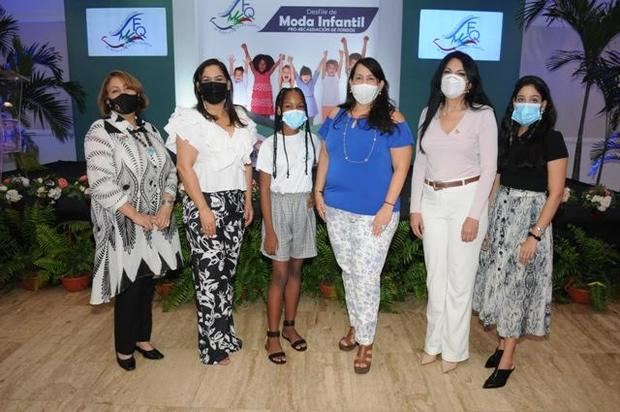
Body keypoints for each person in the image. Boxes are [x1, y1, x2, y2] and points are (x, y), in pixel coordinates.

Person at [315, 57, 413, 374]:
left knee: (367, 276)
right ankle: (357, 326)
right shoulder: (337, 116)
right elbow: (326, 154)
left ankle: (366, 341)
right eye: (358, 77)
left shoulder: (394, 120)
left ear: (381, 84)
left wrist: (387, 206)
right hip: (337, 207)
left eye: (371, 78)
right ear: (350, 82)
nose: (364, 83)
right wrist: (318, 192)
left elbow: (402, 168)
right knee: (348, 272)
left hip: (377, 213)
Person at [473, 76, 568, 389]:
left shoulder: (552, 140)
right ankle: (502, 344)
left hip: (529, 222)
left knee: (516, 288)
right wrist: (486, 220)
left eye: (533, 98)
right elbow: (498, 181)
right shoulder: (509, 135)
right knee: (497, 283)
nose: (525, 103)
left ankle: (508, 359)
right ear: (513, 102)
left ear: (544, 104)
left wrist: (535, 234)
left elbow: (555, 193)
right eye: (520, 98)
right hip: (501, 217)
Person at [84, 70, 182, 371]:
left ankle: (142, 338)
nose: (122, 94)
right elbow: (101, 183)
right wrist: (136, 215)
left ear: (138, 94)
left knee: (146, 281)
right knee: (128, 284)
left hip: (155, 222)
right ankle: (124, 347)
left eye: (127, 88)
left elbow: (170, 173)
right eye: (114, 90)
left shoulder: (150, 130)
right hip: (123, 223)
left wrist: (166, 206)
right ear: (107, 100)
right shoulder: (100, 131)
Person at [409, 51, 498, 373]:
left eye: (460, 73)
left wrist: (475, 215)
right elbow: (420, 163)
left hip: (466, 200)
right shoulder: (426, 114)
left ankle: (454, 350)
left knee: (460, 280)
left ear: (470, 82)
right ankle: (433, 343)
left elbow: (489, 169)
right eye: (448, 71)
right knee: (437, 277)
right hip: (432, 200)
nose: (452, 77)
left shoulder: (482, 115)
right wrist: (415, 208)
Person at [164, 58, 257, 365]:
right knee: (208, 279)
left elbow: (246, 163)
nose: (213, 83)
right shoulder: (190, 120)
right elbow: (184, 167)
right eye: (207, 78)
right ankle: (211, 347)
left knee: (226, 275)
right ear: (197, 85)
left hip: (234, 201)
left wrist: (248, 199)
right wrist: (203, 208)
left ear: (228, 83)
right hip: (205, 203)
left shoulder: (241, 117)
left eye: (219, 77)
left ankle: (224, 334)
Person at [256, 87, 320, 365]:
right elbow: (264, 188)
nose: (295, 110)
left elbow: (323, 170)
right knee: (279, 274)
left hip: (303, 210)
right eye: (289, 105)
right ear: (279, 109)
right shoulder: (269, 144)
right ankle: (272, 336)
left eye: (300, 105)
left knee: (296, 271)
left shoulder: (314, 141)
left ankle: (290, 326)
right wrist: (269, 229)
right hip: (278, 209)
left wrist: (314, 192)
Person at [241, 43, 283, 117]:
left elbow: (274, 67)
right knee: (257, 119)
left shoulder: (268, 73)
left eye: (264, 64)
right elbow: (250, 61)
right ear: (257, 64)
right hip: (257, 101)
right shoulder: (255, 72)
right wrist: (245, 50)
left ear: (267, 65)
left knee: (266, 119)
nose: (262, 65)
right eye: (260, 63)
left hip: (266, 101)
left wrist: (280, 59)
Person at [295, 55, 323, 126]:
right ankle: (301, 134)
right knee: (301, 121)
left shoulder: (312, 82)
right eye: (304, 75)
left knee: (310, 122)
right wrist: (290, 62)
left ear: (310, 76)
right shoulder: (299, 82)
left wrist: (322, 60)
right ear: (301, 76)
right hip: (302, 103)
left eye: (308, 75)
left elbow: (317, 72)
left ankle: (310, 134)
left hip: (311, 105)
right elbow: (295, 73)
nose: (306, 77)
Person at [320, 50, 345, 121]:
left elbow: (340, 67)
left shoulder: (337, 77)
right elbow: (323, 68)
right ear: (327, 69)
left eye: (334, 68)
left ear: (336, 69)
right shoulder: (324, 77)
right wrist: (325, 57)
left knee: (335, 120)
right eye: (330, 68)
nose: (332, 69)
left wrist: (341, 57)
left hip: (335, 104)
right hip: (325, 104)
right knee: (325, 121)